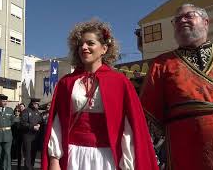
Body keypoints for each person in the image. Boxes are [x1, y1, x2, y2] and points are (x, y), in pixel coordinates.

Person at [41, 19, 158, 170]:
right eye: (81, 44)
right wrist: (54, 159)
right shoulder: (66, 83)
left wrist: (128, 162)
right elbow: (57, 123)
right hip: (73, 157)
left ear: (104, 48)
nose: (84, 47)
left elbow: (129, 127)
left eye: (90, 43)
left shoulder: (120, 82)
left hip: (107, 158)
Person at [140, 3, 213, 169]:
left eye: (188, 16)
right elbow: (149, 113)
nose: (182, 20)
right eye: (177, 20)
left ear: (206, 22)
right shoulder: (161, 63)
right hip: (182, 147)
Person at [21, 98, 43, 170]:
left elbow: (40, 121)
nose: (37, 105)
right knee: (28, 154)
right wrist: (32, 127)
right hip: (27, 135)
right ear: (32, 104)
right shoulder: (26, 111)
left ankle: (31, 166)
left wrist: (39, 125)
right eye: (36, 104)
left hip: (35, 136)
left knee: (33, 153)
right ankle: (27, 168)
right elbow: (23, 123)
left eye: (38, 104)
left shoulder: (38, 112)